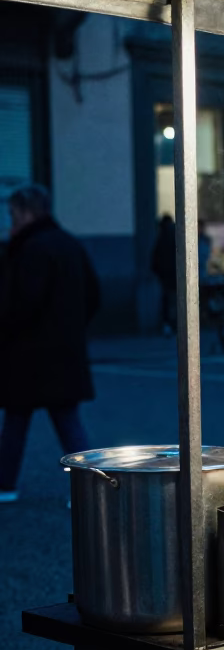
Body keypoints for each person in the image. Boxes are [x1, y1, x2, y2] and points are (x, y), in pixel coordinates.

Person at [0, 185, 101, 502]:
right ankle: (88, 486)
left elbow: (20, 304)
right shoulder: (68, 243)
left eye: (13, 213)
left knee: (16, 421)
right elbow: (94, 294)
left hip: (28, 353)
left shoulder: (30, 248)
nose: (10, 220)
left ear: (27, 212)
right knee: (67, 421)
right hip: (63, 352)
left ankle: (6, 486)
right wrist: (72, 326)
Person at [151, 214, 178, 335]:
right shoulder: (175, 235)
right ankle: (174, 323)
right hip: (174, 274)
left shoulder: (162, 237)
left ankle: (168, 324)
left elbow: (155, 258)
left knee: (168, 300)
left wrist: (158, 272)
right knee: (176, 300)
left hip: (166, 275)